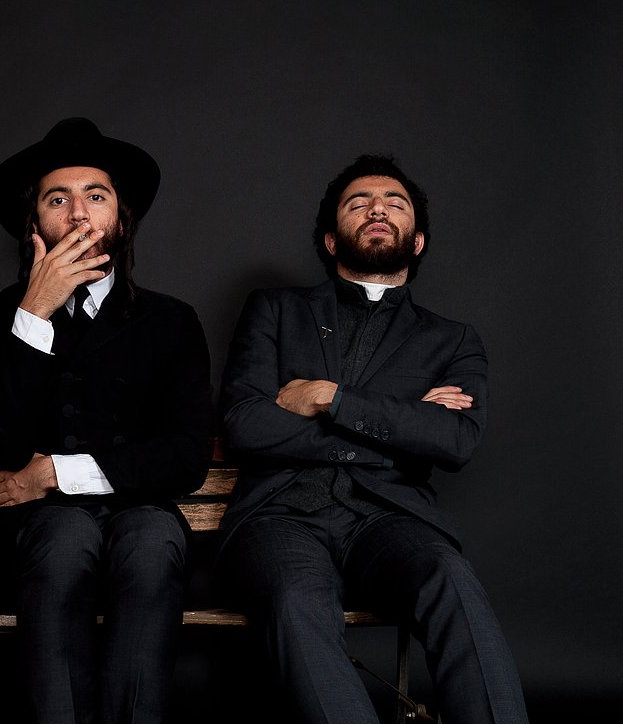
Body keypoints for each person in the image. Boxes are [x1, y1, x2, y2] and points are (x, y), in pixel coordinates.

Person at [218, 154, 529, 723]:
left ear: (417, 242)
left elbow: (455, 442)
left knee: (452, 579)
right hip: (280, 515)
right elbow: (245, 424)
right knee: (297, 602)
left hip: (391, 519)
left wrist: (328, 398)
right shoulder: (275, 310)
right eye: (358, 204)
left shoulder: (452, 340)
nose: (378, 209)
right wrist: (404, 425)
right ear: (333, 241)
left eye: (395, 204)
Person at [0, 117, 214, 724]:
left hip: (141, 515)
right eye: (57, 199)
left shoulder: (171, 321)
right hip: (34, 533)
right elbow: (0, 444)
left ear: (120, 219)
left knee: (152, 540)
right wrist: (35, 313)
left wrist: (55, 473)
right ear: (33, 223)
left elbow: (184, 457)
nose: (77, 215)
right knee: (66, 539)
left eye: (95, 197)